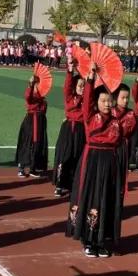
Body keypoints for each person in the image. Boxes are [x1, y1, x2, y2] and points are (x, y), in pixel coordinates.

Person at [67, 72, 128, 257]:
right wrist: (91, 79)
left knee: (106, 199)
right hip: (92, 160)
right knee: (90, 197)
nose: (108, 104)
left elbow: (127, 132)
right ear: (96, 102)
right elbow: (86, 99)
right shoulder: (90, 116)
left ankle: (101, 239)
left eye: (110, 100)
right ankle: (88, 239)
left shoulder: (117, 120)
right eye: (103, 101)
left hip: (110, 162)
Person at [52, 64, 86, 197]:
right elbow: (67, 86)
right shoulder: (70, 97)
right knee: (64, 156)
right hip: (68, 129)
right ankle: (60, 184)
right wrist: (70, 71)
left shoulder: (87, 100)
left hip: (81, 130)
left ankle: (73, 184)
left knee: (78, 157)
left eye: (84, 86)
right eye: (79, 85)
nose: (82, 88)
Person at [16, 72, 49, 178]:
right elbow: (28, 97)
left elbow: (44, 111)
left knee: (37, 144)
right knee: (27, 142)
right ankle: (21, 166)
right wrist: (30, 84)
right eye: (37, 84)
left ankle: (33, 167)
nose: (39, 86)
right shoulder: (30, 94)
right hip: (31, 121)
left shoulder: (42, 98)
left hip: (39, 122)